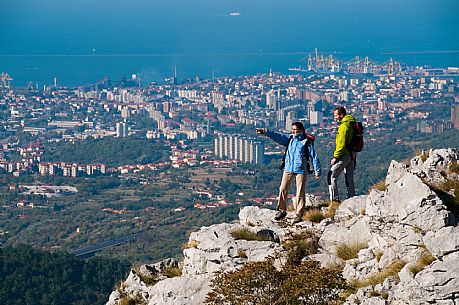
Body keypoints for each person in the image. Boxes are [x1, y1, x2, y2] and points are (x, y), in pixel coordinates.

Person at [256, 122, 321, 223]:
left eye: (297, 130)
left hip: (301, 169)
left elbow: (314, 156)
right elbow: (277, 136)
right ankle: (282, 210)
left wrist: (317, 170)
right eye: (293, 130)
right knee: (282, 188)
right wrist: (265, 132)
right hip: (288, 168)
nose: (295, 132)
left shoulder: (306, 142)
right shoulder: (290, 140)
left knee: (300, 192)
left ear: (302, 130)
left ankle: (299, 214)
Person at [328, 106, 356, 204]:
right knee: (349, 177)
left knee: (331, 175)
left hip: (344, 155)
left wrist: (336, 157)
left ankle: (335, 200)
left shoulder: (344, 126)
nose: (335, 117)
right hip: (352, 154)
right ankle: (352, 198)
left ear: (341, 115)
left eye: (336, 115)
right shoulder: (351, 122)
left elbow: (341, 143)